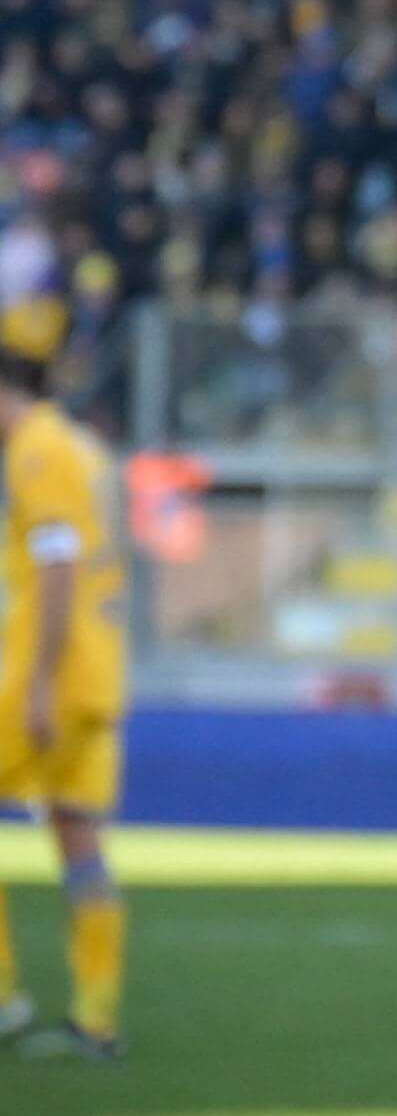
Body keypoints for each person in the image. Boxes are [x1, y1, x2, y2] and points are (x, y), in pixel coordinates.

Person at [0, 321, 128, 1061]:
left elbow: (57, 563)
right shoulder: (82, 445)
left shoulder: (36, 450)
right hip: (97, 669)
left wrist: (40, 680)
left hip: (50, 672)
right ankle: (96, 1017)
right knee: (78, 833)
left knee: (75, 831)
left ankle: (5, 997)